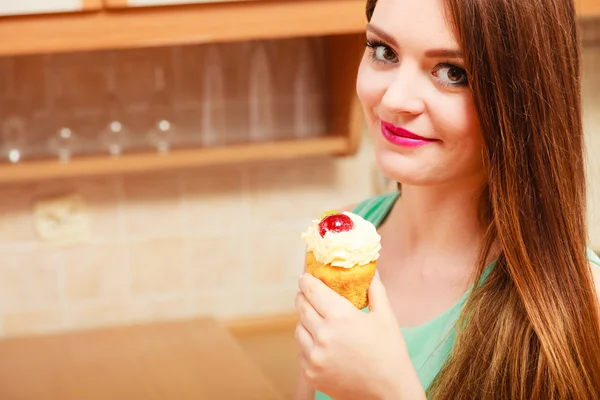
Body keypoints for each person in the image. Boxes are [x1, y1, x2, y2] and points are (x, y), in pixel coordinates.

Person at [293, 0, 600, 398]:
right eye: (384, 52)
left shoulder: (584, 304)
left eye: (453, 73)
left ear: (522, 102)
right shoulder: (341, 244)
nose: (393, 100)